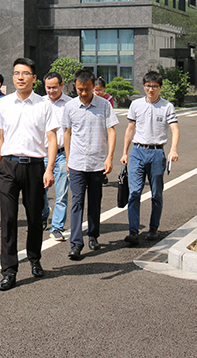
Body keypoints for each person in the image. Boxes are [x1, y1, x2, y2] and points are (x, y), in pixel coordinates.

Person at [0, 58, 59, 291]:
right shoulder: (3, 104)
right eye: (16, 73)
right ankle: (9, 271)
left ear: (34, 78)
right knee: (8, 220)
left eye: (25, 73)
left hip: (34, 166)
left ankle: (34, 258)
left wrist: (49, 169)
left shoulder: (44, 104)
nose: (20, 77)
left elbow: (52, 139)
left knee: (34, 218)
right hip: (9, 166)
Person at [63, 69, 118, 260]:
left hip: (97, 163)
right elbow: (67, 133)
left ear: (93, 87)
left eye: (86, 89)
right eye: (79, 90)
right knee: (77, 202)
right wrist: (68, 159)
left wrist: (109, 157)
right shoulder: (70, 107)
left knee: (95, 201)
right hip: (77, 163)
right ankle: (76, 243)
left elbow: (111, 131)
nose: (83, 93)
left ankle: (93, 235)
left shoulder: (104, 105)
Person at [120, 71, 180, 245]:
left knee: (157, 194)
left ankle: (153, 229)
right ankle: (133, 232)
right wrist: (125, 152)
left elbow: (175, 129)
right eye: (147, 86)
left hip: (157, 153)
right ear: (144, 86)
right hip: (137, 151)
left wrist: (173, 150)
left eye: (154, 86)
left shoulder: (167, 106)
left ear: (160, 87)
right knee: (134, 193)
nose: (150, 89)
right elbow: (130, 129)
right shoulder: (136, 105)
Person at [42, 72, 72, 240]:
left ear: (62, 85)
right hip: (41, 154)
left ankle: (57, 227)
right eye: (48, 88)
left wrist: (70, 157)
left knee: (61, 193)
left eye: (54, 87)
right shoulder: (39, 103)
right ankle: (44, 213)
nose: (51, 91)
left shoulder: (70, 104)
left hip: (62, 154)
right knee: (40, 191)